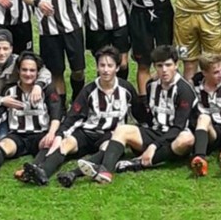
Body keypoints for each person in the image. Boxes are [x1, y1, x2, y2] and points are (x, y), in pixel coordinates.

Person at [76, 45, 196, 184]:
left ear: (176, 65)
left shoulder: (184, 90)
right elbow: (149, 118)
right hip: (156, 132)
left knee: (186, 139)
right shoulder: (151, 85)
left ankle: (136, 163)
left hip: (175, 137)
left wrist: (154, 146)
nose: (164, 70)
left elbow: (178, 127)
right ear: (154, 67)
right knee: (122, 129)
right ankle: (105, 171)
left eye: (168, 65)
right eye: (159, 65)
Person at [21, 46, 135, 186]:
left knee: (109, 147)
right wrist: (60, 135)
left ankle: (73, 174)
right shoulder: (88, 90)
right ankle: (42, 172)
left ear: (117, 68)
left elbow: (139, 112)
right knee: (65, 144)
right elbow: (73, 117)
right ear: (97, 67)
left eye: (110, 66)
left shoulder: (126, 89)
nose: (105, 70)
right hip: (87, 133)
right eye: (102, 65)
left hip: (109, 134)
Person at [0, 52, 62, 183]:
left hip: (40, 135)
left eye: (32, 70)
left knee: (50, 145)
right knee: (3, 145)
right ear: (18, 70)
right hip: (18, 136)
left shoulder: (46, 89)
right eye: (24, 70)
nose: (28, 74)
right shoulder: (10, 90)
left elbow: (56, 112)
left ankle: (34, 169)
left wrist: (52, 133)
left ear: (38, 72)